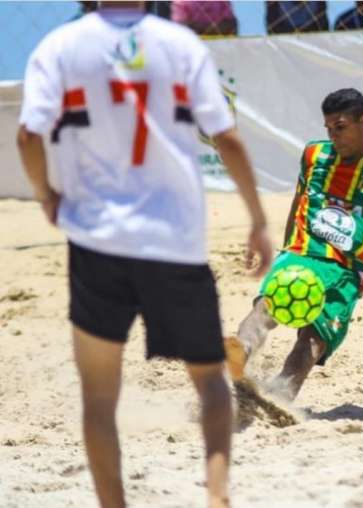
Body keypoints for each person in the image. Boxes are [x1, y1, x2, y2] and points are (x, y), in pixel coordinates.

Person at [16, 1, 273, 507]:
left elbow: (28, 135)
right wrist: (259, 220)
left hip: (97, 242)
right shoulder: (178, 44)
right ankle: (217, 494)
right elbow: (227, 138)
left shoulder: (59, 46)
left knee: (99, 398)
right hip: (173, 240)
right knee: (211, 382)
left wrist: (46, 194)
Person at [224, 88, 363, 406]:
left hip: (347, 268)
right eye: (328, 128)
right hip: (301, 251)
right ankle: (236, 354)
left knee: (314, 337)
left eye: (340, 127)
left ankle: (279, 395)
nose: (333, 135)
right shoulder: (315, 154)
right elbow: (299, 199)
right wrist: (285, 248)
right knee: (265, 307)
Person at [171, 0, 238, 36]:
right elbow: (181, 28)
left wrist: (199, 26)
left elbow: (231, 24)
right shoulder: (182, 2)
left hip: (223, 48)